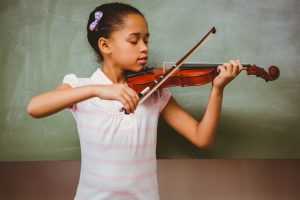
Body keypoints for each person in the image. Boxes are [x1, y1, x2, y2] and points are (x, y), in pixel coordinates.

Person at [27, 2, 244, 200]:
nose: (144, 48)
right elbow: (34, 107)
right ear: (105, 45)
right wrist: (96, 90)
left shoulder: (155, 91)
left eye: (146, 40)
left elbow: (202, 138)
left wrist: (217, 89)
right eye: (134, 40)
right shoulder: (80, 87)